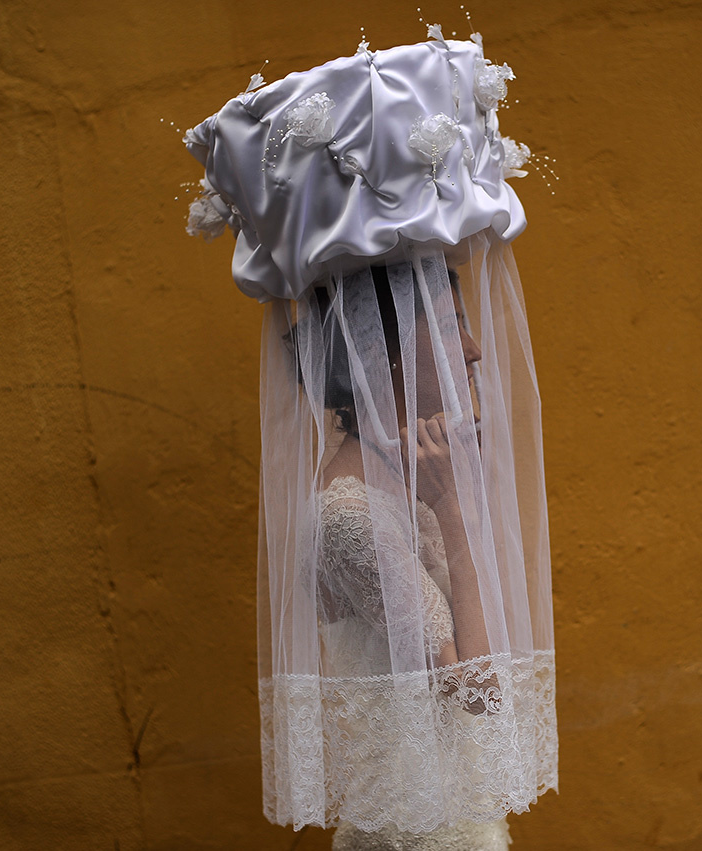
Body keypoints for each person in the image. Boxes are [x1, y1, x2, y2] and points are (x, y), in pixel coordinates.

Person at [181, 23, 557, 849]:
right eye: (451, 322)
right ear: (384, 344)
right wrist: (455, 508)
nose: (473, 346)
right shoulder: (352, 513)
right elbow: (479, 695)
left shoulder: (396, 476)